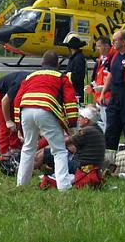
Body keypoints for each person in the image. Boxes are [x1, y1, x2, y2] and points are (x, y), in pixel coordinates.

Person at [13, 50, 79, 189]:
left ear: (42, 63)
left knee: (28, 148)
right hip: (46, 109)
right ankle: (64, 187)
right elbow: (70, 102)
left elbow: (17, 100)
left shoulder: (30, 76)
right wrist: (72, 124)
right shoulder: (61, 77)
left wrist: (19, 125)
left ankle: (21, 184)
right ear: (57, 65)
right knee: (59, 150)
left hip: (26, 109)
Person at [38, 105, 105, 174]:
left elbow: (63, 143)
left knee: (44, 153)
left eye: (80, 117)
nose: (78, 119)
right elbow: (72, 146)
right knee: (52, 152)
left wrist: (44, 149)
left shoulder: (87, 131)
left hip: (81, 168)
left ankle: (28, 173)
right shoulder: (97, 129)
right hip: (90, 169)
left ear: (86, 120)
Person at [88, 35, 113, 128]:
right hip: (100, 97)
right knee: (103, 124)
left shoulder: (113, 59)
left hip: (108, 98)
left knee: (108, 125)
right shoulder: (101, 59)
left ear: (106, 46)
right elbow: (97, 76)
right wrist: (92, 87)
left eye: (99, 46)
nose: (97, 49)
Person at [63, 33, 88, 103]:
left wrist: (64, 76)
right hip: (73, 91)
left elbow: (78, 76)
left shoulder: (78, 58)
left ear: (70, 48)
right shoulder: (75, 57)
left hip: (76, 92)